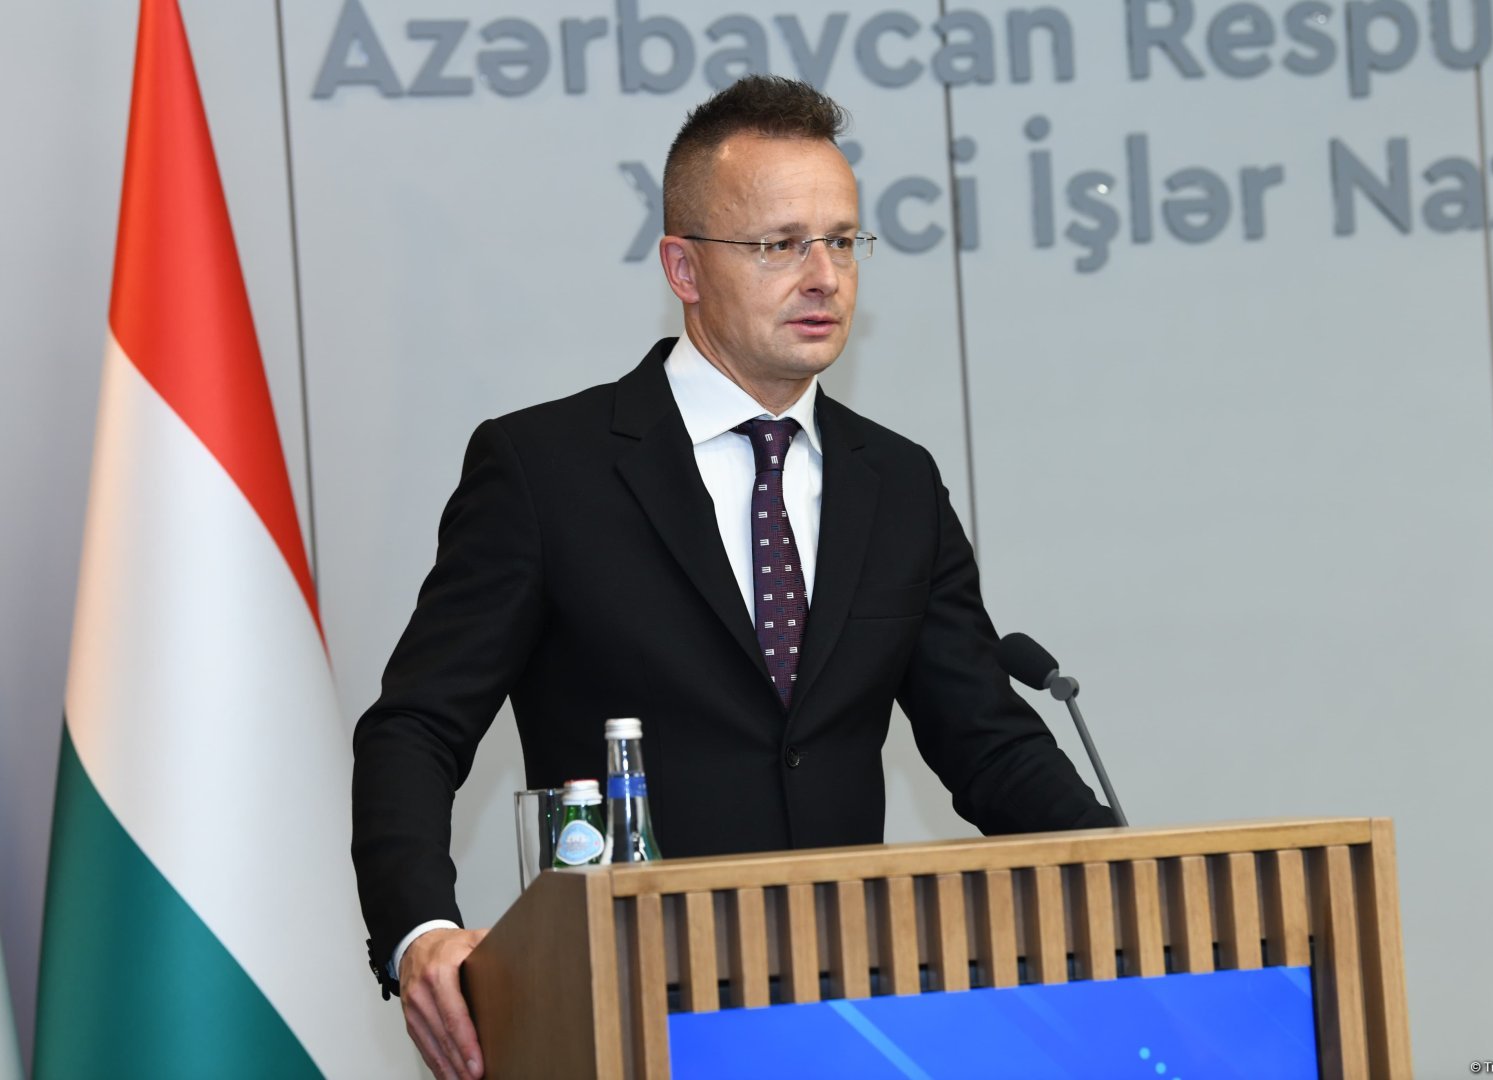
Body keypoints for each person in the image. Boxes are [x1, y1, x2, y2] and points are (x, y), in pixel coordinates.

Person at [351, 75, 1117, 1079]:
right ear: (684, 266)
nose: (823, 277)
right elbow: (416, 726)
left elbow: (987, 741)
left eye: (841, 241)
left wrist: (1128, 879)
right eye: (780, 245)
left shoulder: (896, 481)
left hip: (853, 1017)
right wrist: (420, 932)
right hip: (628, 1015)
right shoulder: (546, 470)